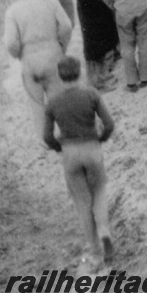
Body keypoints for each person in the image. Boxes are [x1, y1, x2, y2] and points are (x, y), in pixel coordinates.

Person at [43, 56, 115, 267]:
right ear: (80, 72)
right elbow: (109, 123)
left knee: (82, 202)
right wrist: (101, 138)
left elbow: (46, 136)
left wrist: (60, 148)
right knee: (99, 192)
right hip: (92, 149)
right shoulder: (91, 94)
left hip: (70, 153)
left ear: (60, 76)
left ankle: (94, 251)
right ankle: (104, 230)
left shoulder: (53, 102)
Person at [3, 0, 72, 136]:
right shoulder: (50, 1)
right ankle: (67, 132)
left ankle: (45, 140)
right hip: (52, 53)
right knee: (58, 97)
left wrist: (19, 55)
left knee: (36, 103)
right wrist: (62, 46)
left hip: (29, 58)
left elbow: (11, 42)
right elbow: (66, 26)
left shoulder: (12, 11)